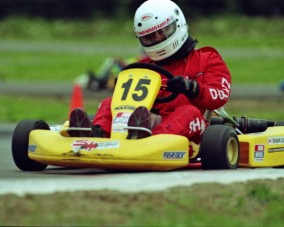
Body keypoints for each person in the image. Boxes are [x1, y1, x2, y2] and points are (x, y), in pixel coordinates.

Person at [69, 0, 231, 158]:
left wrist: (192, 88)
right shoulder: (143, 66)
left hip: (194, 128)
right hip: (143, 121)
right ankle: (97, 134)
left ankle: (149, 140)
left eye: (163, 31)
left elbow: (219, 96)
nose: (158, 39)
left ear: (178, 24)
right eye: (150, 37)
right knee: (109, 102)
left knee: (188, 112)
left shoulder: (207, 59)